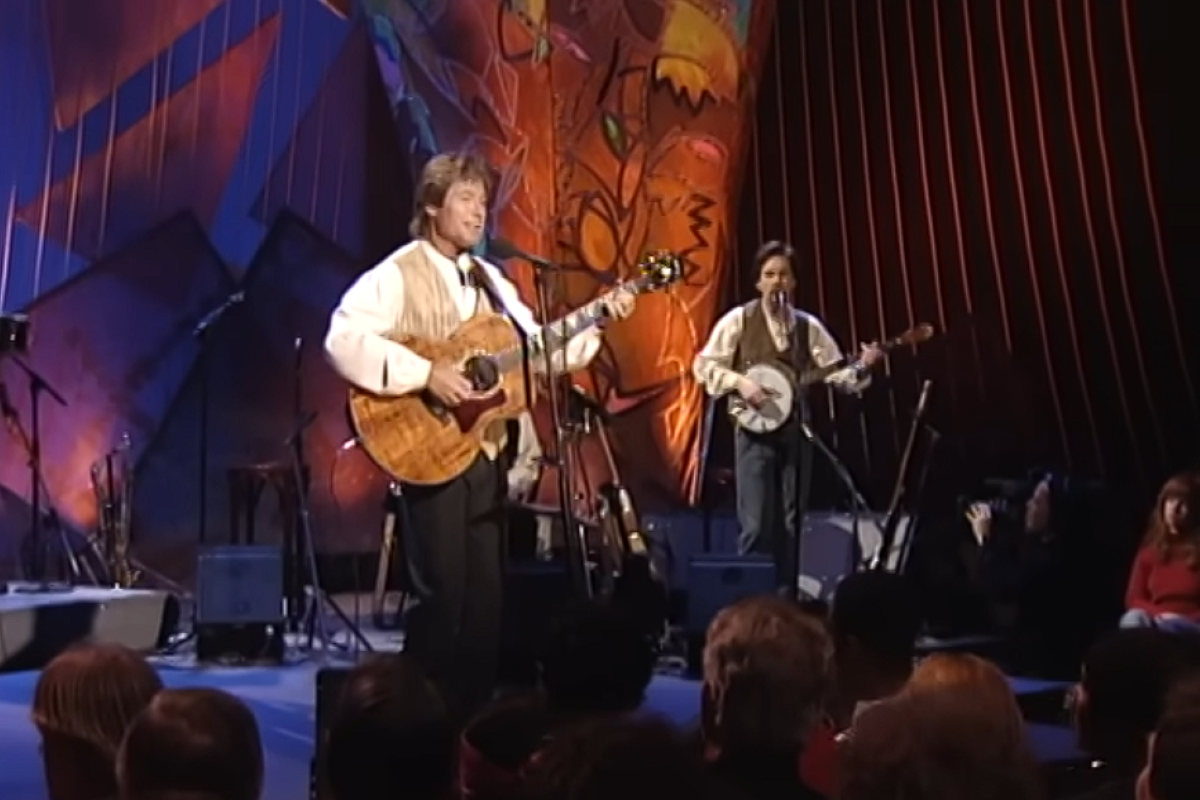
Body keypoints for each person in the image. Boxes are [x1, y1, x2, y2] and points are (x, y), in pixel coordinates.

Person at [324, 152, 635, 722]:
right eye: (465, 198)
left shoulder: (492, 280)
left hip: (483, 452)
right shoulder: (399, 272)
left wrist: (599, 318)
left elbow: (536, 348)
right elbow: (342, 340)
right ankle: (411, 727)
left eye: (483, 201)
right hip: (427, 446)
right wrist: (426, 373)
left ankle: (466, 732)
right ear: (432, 206)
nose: (479, 211)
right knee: (442, 601)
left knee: (485, 607)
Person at [692, 240, 883, 585]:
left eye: (783, 275)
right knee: (755, 525)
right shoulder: (739, 319)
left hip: (796, 432)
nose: (776, 282)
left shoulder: (807, 327)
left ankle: (786, 603)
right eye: (769, 275)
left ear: (793, 283)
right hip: (752, 433)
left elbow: (838, 374)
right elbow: (704, 365)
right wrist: (741, 383)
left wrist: (862, 368)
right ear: (758, 282)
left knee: (791, 524)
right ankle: (751, 604)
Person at [1121, 472, 1200, 633]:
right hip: (1157, 623)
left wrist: (1182, 619)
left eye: (1183, 503)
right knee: (1133, 618)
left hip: (1192, 626)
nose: (1174, 509)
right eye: (1170, 501)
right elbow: (1134, 599)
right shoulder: (1148, 553)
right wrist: (1162, 615)